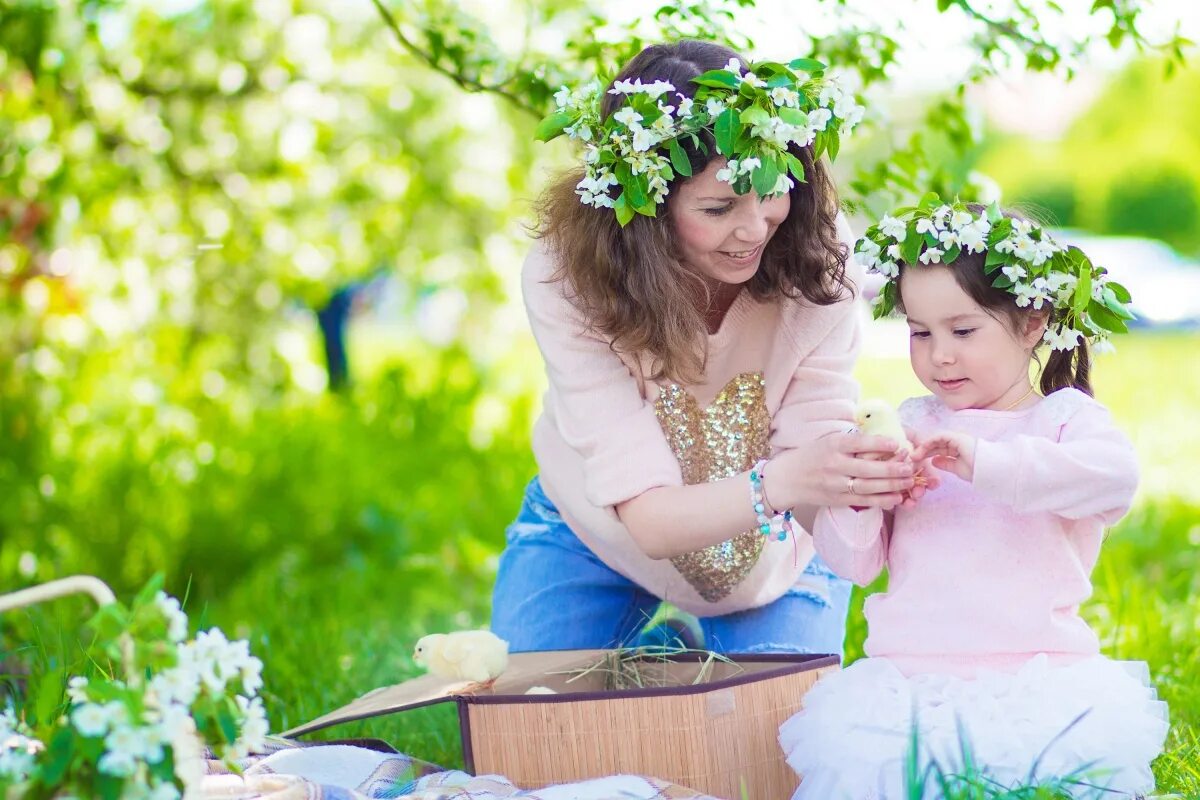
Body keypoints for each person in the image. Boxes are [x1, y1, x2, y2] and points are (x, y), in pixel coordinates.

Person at [488, 39, 920, 655]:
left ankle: (674, 653)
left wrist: (866, 487)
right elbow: (651, 521)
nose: (753, 230)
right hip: (595, 530)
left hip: (772, 560)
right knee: (529, 735)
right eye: (718, 208)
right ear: (646, 208)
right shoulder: (566, 274)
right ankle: (661, 654)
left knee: (772, 745)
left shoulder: (817, 257)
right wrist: (787, 479)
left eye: (771, 190)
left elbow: (813, 471)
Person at [779, 200, 1169, 797]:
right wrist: (862, 494)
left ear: (1032, 321)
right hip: (908, 685)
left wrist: (980, 462)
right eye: (918, 332)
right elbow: (856, 564)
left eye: (963, 330)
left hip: (1037, 682)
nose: (939, 355)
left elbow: (1112, 481)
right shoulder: (908, 424)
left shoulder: (1062, 421)